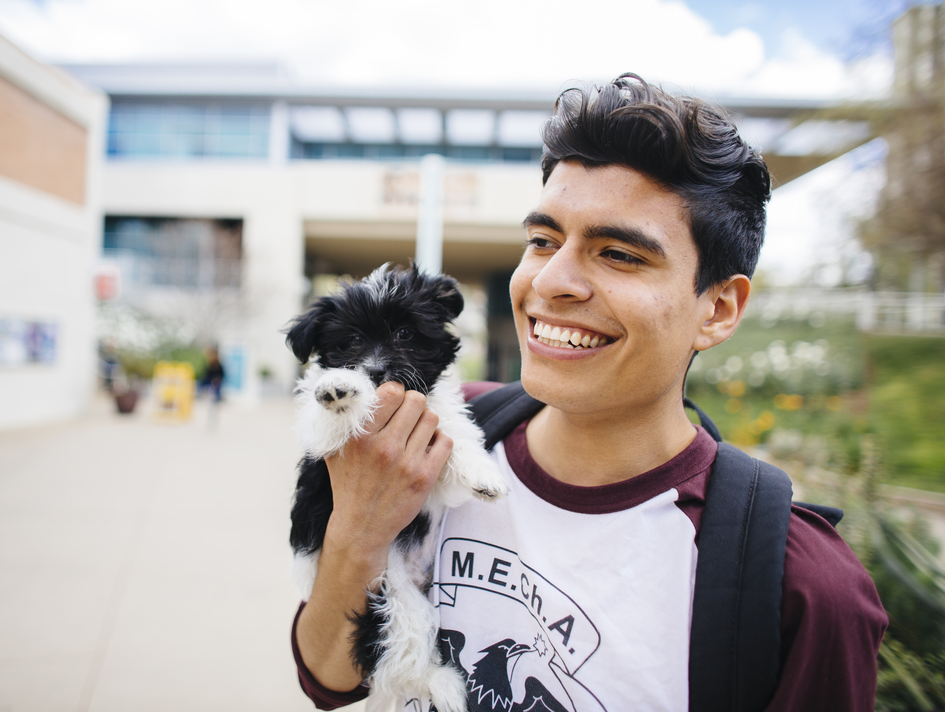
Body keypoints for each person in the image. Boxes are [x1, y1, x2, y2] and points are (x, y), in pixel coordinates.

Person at [291, 75, 887, 711]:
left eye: (620, 254)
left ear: (717, 308)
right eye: (543, 241)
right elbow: (330, 675)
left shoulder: (800, 584)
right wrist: (358, 531)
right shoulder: (424, 439)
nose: (552, 280)